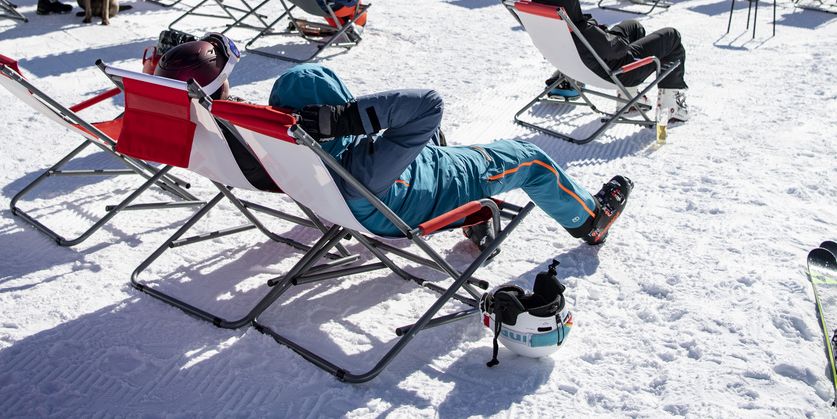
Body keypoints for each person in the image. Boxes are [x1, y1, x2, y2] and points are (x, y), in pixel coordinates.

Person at [271, 63, 634, 246]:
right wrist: (347, 118)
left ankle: (474, 218)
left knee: (422, 133)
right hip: (435, 189)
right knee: (532, 158)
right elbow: (428, 104)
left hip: (376, 191)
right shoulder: (361, 169)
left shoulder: (282, 149)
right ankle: (590, 221)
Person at [532, 0, 688, 122]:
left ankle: (629, 99)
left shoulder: (545, 26)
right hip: (617, 72)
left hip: (578, 68)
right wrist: (604, 34)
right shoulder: (582, 31)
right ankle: (672, 108)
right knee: (671, 36)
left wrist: (602, 34)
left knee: (633, 26)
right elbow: (617, 49)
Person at [147, 31, 278, 192]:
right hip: (267, 176)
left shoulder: (178, 123)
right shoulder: (238, 125)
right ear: (219, 86)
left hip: (213, 168)